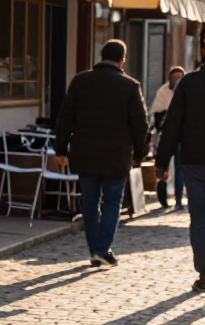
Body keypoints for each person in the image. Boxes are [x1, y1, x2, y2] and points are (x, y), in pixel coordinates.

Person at [54, 39, 149, 269]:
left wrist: (60, 149)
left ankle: (96, 248)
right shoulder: (130, 86)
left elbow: (65, 117)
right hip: (116, 156)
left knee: (89, 201)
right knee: (112, 202)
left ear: (102, 55)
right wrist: (140, 154)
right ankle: (101, 248)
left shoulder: (80, 81)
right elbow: (140, 125)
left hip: (85, 154)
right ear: (122, 59)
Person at [155, 58, 205, 292]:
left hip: (195, 161)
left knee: (199, 218)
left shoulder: (189, 83)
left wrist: (162, 162)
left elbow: (173, 123)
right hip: (194, 162)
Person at [151, 65, 185, 210]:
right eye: (175, 77)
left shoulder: (187, 91)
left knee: (180, 168)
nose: (177, 80)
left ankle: (178, 198)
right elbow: (157, 114)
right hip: (165, 136)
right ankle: (163, 198)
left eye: (180, 77)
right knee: (162, 165)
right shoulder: (163, 92)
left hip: (182, 137)